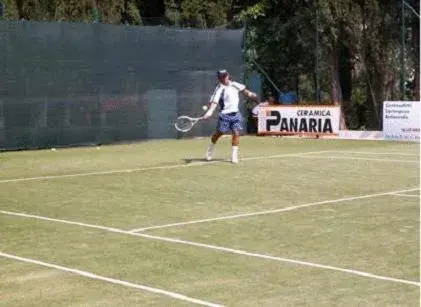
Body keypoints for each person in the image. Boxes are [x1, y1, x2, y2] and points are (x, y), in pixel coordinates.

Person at [201, 69, 259, 164]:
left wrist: (252, 95)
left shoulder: (235, 84)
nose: (224, 78)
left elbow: (245, 91)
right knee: (220, 132)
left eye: (225, 76)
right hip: (224, 115)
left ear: (228, 75)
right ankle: (210, 149)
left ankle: (234, 155)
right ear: (219, 79)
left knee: (236, 133)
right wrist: (210, 112)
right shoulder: (219, 88)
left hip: (235, 114)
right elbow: (214, 102)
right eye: (222, 77)